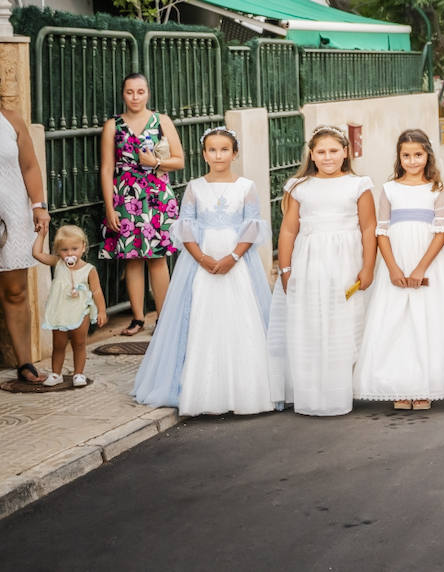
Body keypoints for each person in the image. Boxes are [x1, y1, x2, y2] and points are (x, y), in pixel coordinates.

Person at [133, 126, 273, 414]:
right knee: (201, 317)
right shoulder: (195, 187)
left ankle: (246, 389)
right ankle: (202, 389)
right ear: (204, 154)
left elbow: (252, 225)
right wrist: (202, 258)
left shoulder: (245, 187)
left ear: (235, 153)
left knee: (241, 318)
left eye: (224, 149)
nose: (218, 154)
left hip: (237, 263)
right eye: (212, 149)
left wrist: (234, 256)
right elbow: (185, 227)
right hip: (200, 262)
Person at [275, 124, 377, 416]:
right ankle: (310, 393)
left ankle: (339, 391)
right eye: (321, 151)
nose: (328, 157)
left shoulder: (359, 185)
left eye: (334, 150)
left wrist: (368, 267)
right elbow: (288, 230)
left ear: (345, 152)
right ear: (312, 154)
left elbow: (369, 228)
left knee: (343, 323)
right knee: (309, 322)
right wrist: (285, 269)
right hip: (309, 263)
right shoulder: (299, 187)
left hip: (346, 264)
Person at [354, 130, 444, 411]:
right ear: (399, 157)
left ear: (428, 156)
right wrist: (392, 268)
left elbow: (441, 231)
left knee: (427, 321)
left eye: (418, 155)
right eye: (406, 155)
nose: (412, 161)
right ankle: (400, 385)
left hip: (429, 261)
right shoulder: (389, 189)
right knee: (396, 323)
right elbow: (381, 231)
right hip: (397, 258)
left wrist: (421, 268)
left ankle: (425, 386)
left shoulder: (437, 188)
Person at [100, 72, 184, 337]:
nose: (135, 97)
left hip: (157, 195)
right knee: (131, 259)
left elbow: (179, 160)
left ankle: (164, 318)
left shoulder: (162, 121)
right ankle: (137, 319)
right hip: (125, 196)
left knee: (157, 258)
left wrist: (155, 163)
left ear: (148, 93)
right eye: (129, 92)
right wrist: (109, 207)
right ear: (123, 94)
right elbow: (106, 169)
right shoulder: (113, 125)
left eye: (140, 91)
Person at [0, 105, 50, 385]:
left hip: (13, 214)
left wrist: (39, 207)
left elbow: (29, 166)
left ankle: (24, 363)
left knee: (16, 291)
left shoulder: (11, 119)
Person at [35, 225, 106, 387]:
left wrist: (101, 310)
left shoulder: (89, 270)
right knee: (58, 345)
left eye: (74, 248)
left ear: (83, 248)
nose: (70, 253)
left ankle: (79, 374)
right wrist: (41, 235)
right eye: (64, 250)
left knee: (79, 344)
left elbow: (97, 291)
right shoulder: (58, 264)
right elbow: (37, 254)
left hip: (80, 311)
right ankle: (56, 374)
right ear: (58, 251)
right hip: (60, 311)